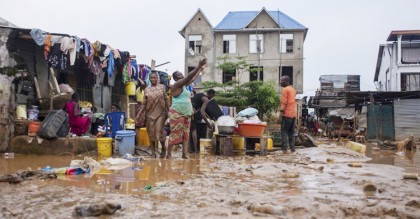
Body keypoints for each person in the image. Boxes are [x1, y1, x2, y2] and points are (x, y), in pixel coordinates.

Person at [167, 58, 207, 159]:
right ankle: (169, 154)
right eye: (179, 75)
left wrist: (200, 70)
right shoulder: (177, 85)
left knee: (186, 135)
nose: (182, 76)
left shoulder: (184, 86)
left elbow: (192, 79)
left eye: (182, 74)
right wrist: (198, 66)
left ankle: (184, 154)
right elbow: (189, 76)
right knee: (174, 134)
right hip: (177, 113)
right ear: (175, 79)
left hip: (186, 114)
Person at [136, 71, 169, 158]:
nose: (153, 79)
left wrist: (169, 113)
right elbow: (144, 104)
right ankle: (153, 152)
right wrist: (138, 115)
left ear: (158, 78)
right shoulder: (147, 89)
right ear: (149, 79)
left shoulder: (162, 87)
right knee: (151, 134)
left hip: (161, 113)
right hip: (149, 114)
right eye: (151, 78)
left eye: (155, 77)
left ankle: (163, 148)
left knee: (159, 132)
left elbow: (166, 100)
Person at [190, 89, 216, 153]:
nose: (212, 98)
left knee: (188, 131)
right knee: (194, 131)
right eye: (212, 96)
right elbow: (202, 112)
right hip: (191, 111)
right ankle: (196, 149)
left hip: (187, 109)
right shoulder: (206, 99)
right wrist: (208, 124)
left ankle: (189, 149)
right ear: (211, 94)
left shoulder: (200, 95)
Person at [279, 75, 297, 153]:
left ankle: (284, 150)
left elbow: (284, 102)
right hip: (293, 115)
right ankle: (292, 149)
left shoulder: (285, 90)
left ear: (286, 81)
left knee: (284, 132)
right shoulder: (293, 90)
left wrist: (280, 114)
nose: (280, 82)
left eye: (281, 80)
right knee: (291, 133)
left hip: (286, 114)